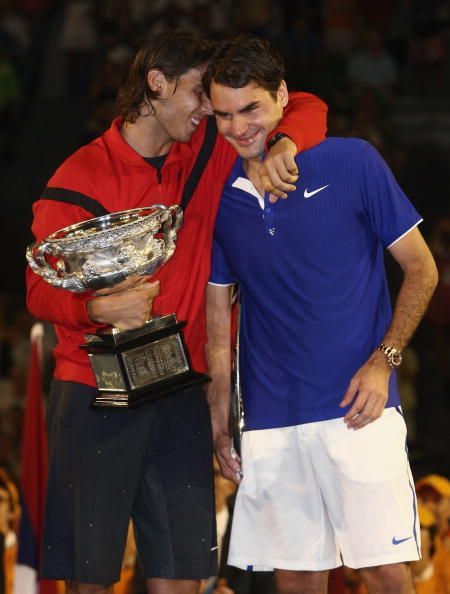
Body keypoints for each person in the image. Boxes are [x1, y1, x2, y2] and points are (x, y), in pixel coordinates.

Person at [26, 29, 327, 594]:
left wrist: (285, 145)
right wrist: (95, 305)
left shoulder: (208, 152)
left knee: (183, 581)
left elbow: (307, 106)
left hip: (181, 388)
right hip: (94, 391)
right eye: (198, 96)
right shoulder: (79, 176)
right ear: (156, 84)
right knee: (92, 581)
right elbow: (38, 290)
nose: (210, 113)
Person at [204, 34, 438, 594]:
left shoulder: (354, 160)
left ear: (283, 97)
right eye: (224, 115)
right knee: (297, 579)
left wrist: (384, 362)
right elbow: (217, 327)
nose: (239, 128)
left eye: (251, 109)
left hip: (358, 408)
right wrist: (218, 418)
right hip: (269, 418)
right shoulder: (224, 198)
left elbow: (423, 270)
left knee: (384, 572)